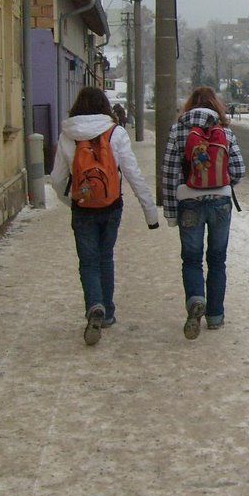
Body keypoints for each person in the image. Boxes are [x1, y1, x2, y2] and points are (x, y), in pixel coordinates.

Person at [50, 86, 160, 346]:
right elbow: (133, 173)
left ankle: (94, 305)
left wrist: (71, 200)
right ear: (105, 106)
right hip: (111, 206)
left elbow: (56, 179)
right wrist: (150, 213)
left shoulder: (68, 135)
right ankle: (107, 312)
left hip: (82, 207)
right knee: (105, 257)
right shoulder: (116, 132)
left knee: (88, 261)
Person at [160, 86, 245, 339]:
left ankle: (196, 299)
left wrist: (171, 212)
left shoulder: (178, 130)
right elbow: (239, 170)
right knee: (217, 260)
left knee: (192, 258)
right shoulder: (225, 132)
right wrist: (221, 183)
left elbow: (169, 173)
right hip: (220, 202)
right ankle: (216, 316)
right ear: (216, 105)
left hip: (189, 202)